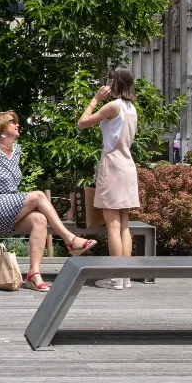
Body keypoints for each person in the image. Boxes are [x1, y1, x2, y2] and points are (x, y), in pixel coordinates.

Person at [0, 111, 96, 292]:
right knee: (38, 195)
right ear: (1, 128)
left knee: (40, 220)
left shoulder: (16, 150)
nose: (17, 125)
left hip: (9, 206)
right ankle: (70, 239)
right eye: (12, 122)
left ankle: (34, 274)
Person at [78, 67, 141, 290]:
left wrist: (95, 98)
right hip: (127, 166)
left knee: (112, 225)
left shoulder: (112, 106)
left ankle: (115, 278)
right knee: (124, 224)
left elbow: (82, 122)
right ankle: (124, 277)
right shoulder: (131, 108)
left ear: (115, 82)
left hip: (113, 164)